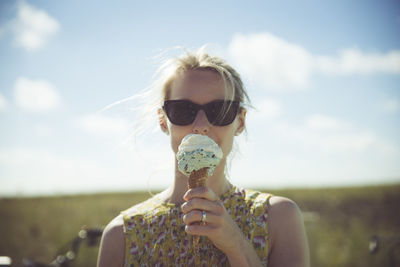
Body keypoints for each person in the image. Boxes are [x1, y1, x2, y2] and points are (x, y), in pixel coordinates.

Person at [97, 48, 310, 267]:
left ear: (241, 122)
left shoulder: (279, 218)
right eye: (182, 110)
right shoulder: (121, 235)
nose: (200, 126)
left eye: (220, 110)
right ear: (163, 121)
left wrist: (237, 245)